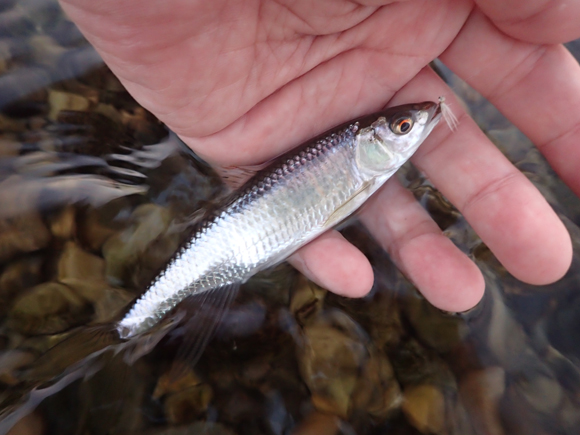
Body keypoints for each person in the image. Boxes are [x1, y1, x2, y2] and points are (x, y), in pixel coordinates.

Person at [59, 0, 580, 312]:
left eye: (407, 125)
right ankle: (135, 317)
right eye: (403, 127)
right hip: (238, 232)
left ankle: (137, 316)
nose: (416, 126)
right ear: (376, 140)